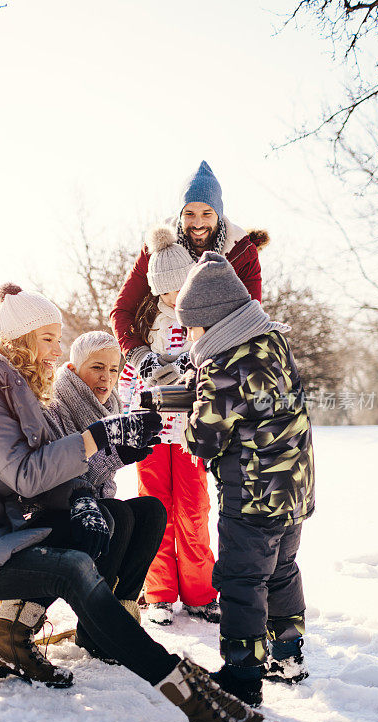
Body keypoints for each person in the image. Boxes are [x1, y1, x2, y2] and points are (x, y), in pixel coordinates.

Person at [0, 282, 286, 722]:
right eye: (49, 339)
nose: (58, 352)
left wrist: (111, 452)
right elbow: (23, 471)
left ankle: (15, 640)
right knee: (73, 566)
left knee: (109, 518)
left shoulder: (15, 389)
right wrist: (98, 438)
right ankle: (191, 697)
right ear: (19, 340)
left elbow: (37, 479)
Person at [175, 252, 315, 708]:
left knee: (240, 580)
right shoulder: (273, 342)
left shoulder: (223, 365)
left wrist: (184, 419)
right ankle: (288, 655)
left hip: (253, 494)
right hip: (294, 488)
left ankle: (242, 673)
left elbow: (204, 440)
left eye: (193, 328)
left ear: (214, 322)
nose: (191, 337)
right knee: (281, 571)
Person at [118, 226, 218, 626]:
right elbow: (129, 381)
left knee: (193, 509)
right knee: (155, 510)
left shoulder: (203, 323)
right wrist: (132, 398)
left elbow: (212, 368)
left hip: (190, 432)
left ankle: (200, 591)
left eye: (182, 287)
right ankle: (158, 592)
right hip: (152, 432)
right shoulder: (145, 327)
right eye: (167, 290)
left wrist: (188, 367)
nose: (175, 297)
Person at [47, 329, 166, 656]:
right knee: (120, 514)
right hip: (60, 508)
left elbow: (103, 472)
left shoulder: (110, 406)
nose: (107, 378)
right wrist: (118, 454)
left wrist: (131, 448)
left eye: (114, 369)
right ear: (73, 370)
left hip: (96, 503)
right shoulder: (57, 407)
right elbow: (65, 475)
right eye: (97, 367)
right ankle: (95, 626)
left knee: (152, 511)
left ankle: (123, 613)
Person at [110, 160, 265, 378]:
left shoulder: (241, 254)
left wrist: (194, 358)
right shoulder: (156, 251)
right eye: (189, 213)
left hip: (218, 369)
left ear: (219, 214)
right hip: (159, 353)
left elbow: (249, 322)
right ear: (180, 214)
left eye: (207, 213)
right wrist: (141, 357)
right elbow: (121, 310)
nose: (198, 223)